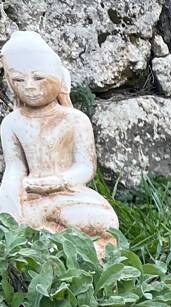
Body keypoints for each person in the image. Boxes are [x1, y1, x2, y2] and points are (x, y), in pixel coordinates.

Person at [0, 30, 118, 255]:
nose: (29, 86)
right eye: (18, 80)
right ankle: (56, 243)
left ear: (58, 76)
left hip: (70, 194)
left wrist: (59, 181)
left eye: (38, 77)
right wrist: (8, 203)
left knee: (107, 220)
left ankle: (55, 240)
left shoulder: (74, 119)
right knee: (18, 221)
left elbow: (85, 167)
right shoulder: (12, 123)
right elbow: (15, 169)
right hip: (32, 197)